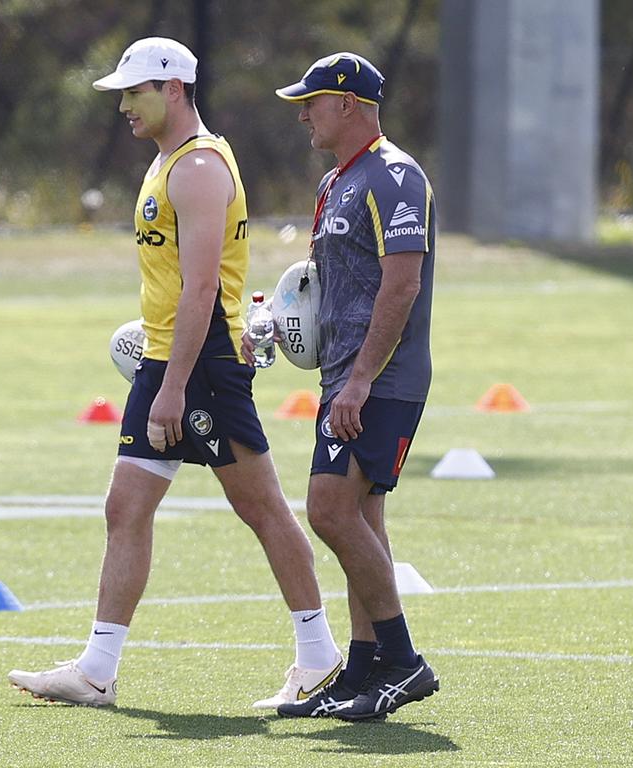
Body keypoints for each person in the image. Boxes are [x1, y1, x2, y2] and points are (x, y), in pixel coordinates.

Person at [8, 37, 342, 709]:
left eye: (134, 93)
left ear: (173, 90)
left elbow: (199, 291)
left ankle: (319, 653)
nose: (124, 106)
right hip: (169, 358)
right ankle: (96, 670)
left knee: (261, 507)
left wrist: (170, 387)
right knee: (125, 507)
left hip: (201, 366)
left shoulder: (196, 167)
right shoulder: (166, 162)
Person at [257, 52, 440, 721]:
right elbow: (328, 281)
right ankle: (362, 671)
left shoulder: (394, 175)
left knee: (329, 510)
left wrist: (360, 380)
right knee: (360, 517)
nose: (302, 113)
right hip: (346, 377)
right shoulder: (336, 181)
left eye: (311, 101)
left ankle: (402, 660)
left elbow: (402, 283)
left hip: (381, 378)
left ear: (348, 103)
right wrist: (275, 321)